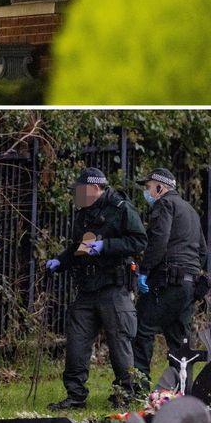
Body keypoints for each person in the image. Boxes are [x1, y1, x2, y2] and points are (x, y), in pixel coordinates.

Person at [46, 168, 146, 410]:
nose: (77, 195)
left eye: (80, 190)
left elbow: (139, 240)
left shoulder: (121, 208)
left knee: (119, 343)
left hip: (114, 287)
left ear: (94, 188)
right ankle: (75, 396)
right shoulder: (84, 213)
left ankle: (125, 395)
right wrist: (61, 260)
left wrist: (106, 246)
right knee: (77, 343)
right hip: (87, 289)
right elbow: (79, 247)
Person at [131, 168, 206, 387]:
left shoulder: (164, 204)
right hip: (189, 285)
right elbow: (202, 251)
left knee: (142, 329)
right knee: (179, 342)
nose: (147, 191)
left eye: (148, 187)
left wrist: (144, 271)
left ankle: (137, 388)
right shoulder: (190, 210)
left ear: (160, 187)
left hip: (167, 282)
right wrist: (189, 272)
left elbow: (159, 241)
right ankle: (184, 390)